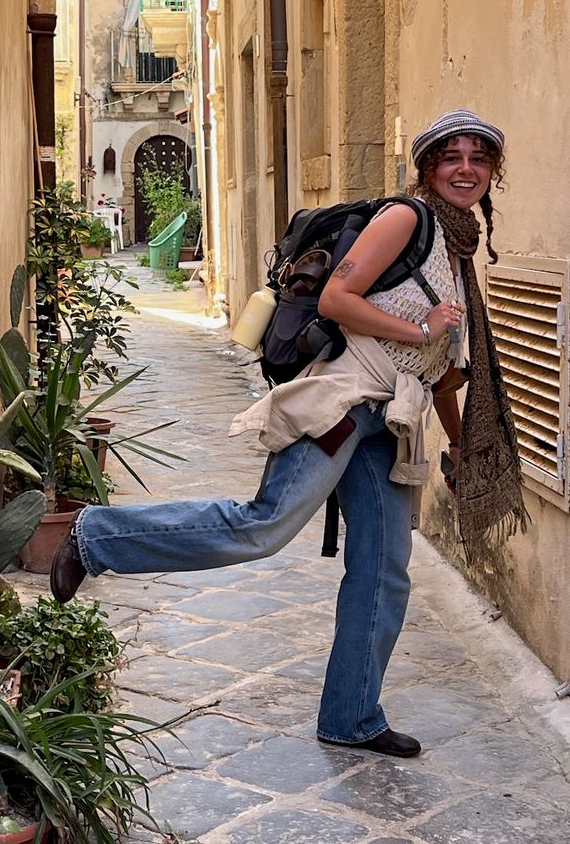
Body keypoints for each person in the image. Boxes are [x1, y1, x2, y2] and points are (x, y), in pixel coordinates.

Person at [51, 110, 528, 758]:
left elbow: (442, 372)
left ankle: (352, 716)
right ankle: (95, 536)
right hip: (345, 404)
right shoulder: (407, 221)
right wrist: (421, 328)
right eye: (452, 157)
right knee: (265, 524)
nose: (466, 168)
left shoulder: (459, 247)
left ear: (492, 172)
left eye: (479, 158)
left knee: (385, 568)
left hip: (390, 423)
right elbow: (337, 299)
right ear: (428, 169)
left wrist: (462, 449)